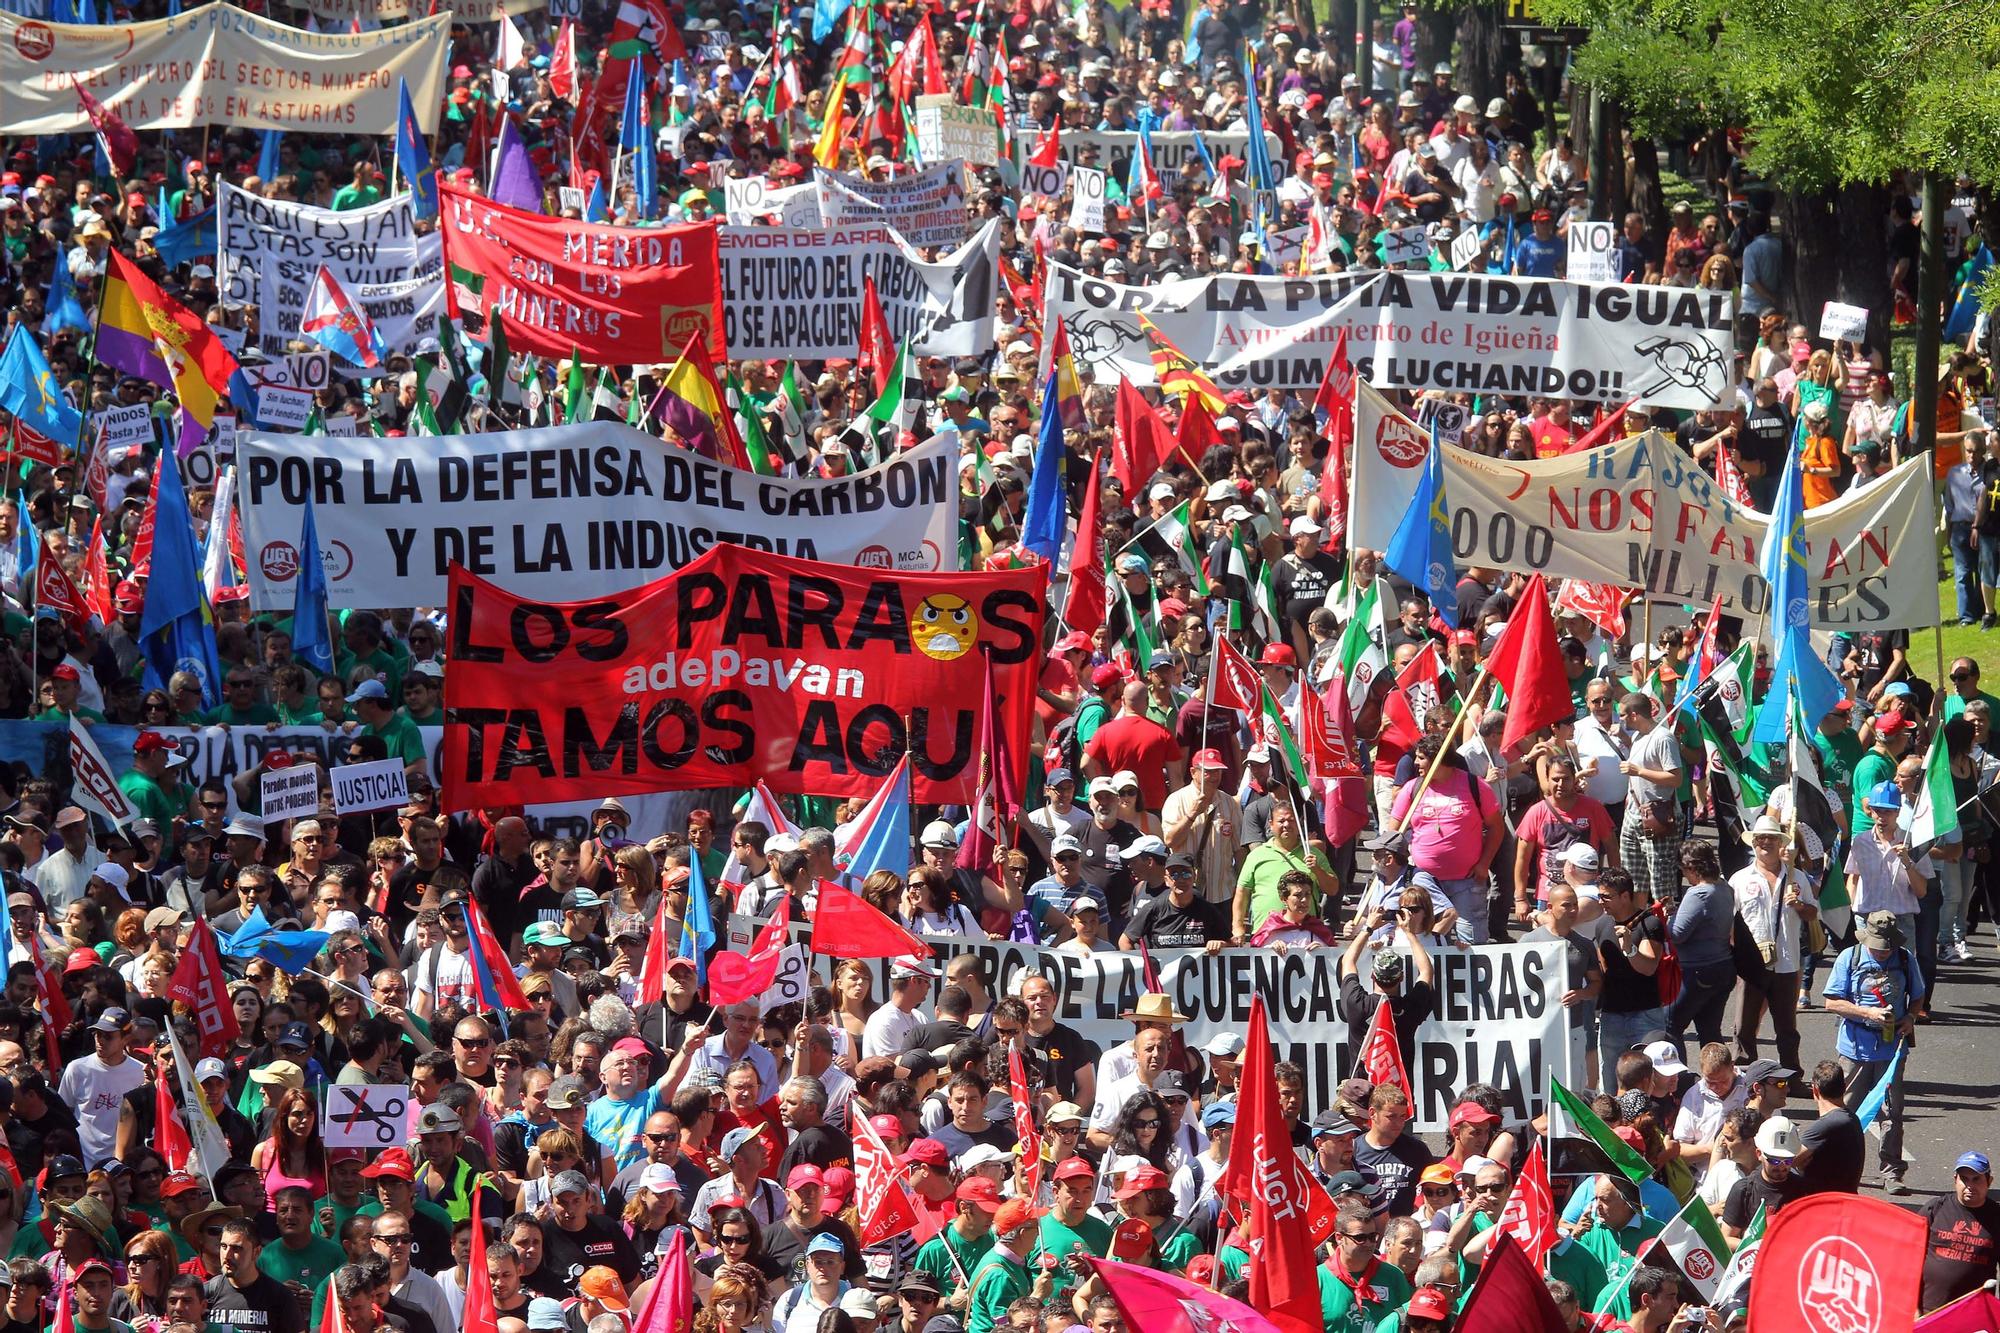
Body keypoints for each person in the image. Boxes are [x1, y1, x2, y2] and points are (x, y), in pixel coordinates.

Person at [1822, 911, 1922, 1193]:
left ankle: (1892, 1173)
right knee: (1845, 1114)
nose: (1883, 953)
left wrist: (1910, 1018)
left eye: (1887, 948)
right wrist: (1866, 1012)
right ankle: (1837, 1169)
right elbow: (1831, 1002)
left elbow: (1917, 996)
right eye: (1878, 948)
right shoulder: (1849, 958)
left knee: (1892, 1113)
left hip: (1891, 1052)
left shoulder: (1904, 958)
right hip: (1855, 1050)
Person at [1920, 1151, 2000, 1312]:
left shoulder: (1996, 1217)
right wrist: (1912, 1307)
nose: (1970, 1185)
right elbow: (1909, 1257)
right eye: (1964, 1179)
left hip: (1974, 1314)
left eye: (1976, 1179)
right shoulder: (1935, 1208)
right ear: (1955, 1180)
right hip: (1929, 1311)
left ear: (1989, 1181)